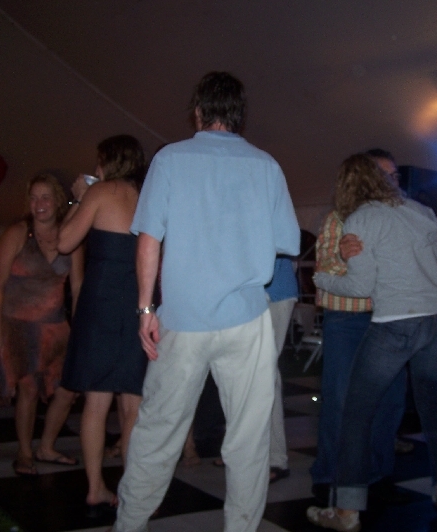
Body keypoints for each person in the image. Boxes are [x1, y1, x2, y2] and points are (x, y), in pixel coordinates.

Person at [111, 71, 300, 532]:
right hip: (247, 319)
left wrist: (145, 308)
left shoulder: (170, 159)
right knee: (249, 439)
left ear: (197, 111)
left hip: (183, 318)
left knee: (158, 432)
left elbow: (148, 240)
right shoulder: (266, 166)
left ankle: (129, 526)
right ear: (239, 114)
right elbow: (286, 243)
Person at [308, 154, 437, 532]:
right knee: (433, 408)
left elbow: (360, 286)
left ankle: (346, 512)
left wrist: (320, 279)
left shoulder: (361, 219)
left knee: (355, 413)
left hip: (396, 323)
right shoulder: (421, 211)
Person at [310, 150, 410, 506]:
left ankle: (377, 471)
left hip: (388, 318)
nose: (391, 180)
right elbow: (323, 268)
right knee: (341, 401)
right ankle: (331, 474)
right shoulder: (339, 218)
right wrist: (345, 256)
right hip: (348, 321)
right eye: (384, 174)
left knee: (390, 400)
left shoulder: (400, 217)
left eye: (395, 175)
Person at [57, 135, 148, 512]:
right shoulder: (147, 196)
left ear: (109, 162)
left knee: (96, 401)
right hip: (137, 302)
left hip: (101, 305)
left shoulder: (99, 192)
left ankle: (95, 487)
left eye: (99, 161)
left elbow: (64, 242)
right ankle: (132, 493)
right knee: (133, 405)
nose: (96, 168)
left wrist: (79, 198)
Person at [0, 173, 83, 476]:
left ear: (57, 200)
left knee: (69, 390)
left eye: (45, 197)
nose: (39, 204)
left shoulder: (70, 237)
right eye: (34, 198)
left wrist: (80, 329)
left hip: (55, 328)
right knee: (28, 389)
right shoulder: (18, 233)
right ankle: (24, 452)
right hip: (19, 327)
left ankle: (46, 446)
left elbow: (78, 287)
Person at [266, 256, 298, 483]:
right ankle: (245, 451)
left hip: (274, 291)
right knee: (249, 376)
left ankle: (276, 457)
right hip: (254, 294)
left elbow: (288, 248)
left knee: (266, 375)